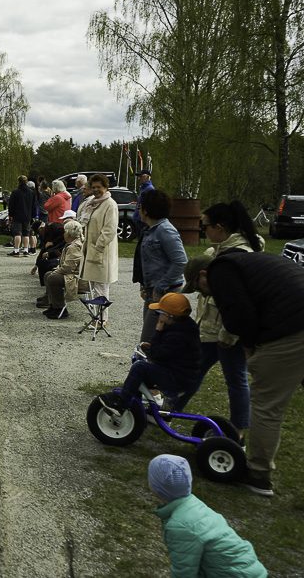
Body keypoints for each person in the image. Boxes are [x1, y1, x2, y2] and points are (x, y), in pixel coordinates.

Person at [188, 250, 304, 497]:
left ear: (203, 275)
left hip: (293, 329)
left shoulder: (221, 273)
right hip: (296, 316)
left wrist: (252, 348)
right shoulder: (244, 262)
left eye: (199, 288)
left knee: (267, 405)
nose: (203, 294)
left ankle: (258, 474)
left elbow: (240, 318)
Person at [173, 201, 265, 440]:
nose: (204, 231)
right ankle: (169, 409)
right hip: (210, 328)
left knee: (236, 379)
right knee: (193, 369)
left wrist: (230, 334)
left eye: (206, 226)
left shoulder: (240, 256)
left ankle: (238, 431)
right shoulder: (217, 250)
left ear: (220, 227)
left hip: (228, 332)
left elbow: (241, 304)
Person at [147, 455, 266, 577]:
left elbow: (184, 572)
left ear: (156, 487)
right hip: (249, 570)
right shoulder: (194, 505)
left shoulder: (180, 526)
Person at [101, 293, 200, 411]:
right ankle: (135, 408)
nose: (158, 316)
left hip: (178, 379)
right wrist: (153, 345)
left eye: (159, 313)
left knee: (139, 367)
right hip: (182, 374)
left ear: (169, 316)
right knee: (141, 373)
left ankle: (121, 405)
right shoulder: (184, 326)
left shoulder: (176, 335)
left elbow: (156, 356)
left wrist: (158, 331)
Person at [137, 190, 187, 342]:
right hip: (154, 291)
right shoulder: (150, 230)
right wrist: (144, 285)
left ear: (146, 210)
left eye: (140, 207)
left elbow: (180, 261)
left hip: (166, 292)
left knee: (149, 340)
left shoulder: (165, 230)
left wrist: (160, 287)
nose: (138, 210)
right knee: (153, 338)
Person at [79, 173, 118, 319]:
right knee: (94, 287)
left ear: (106, 187)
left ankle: (102, 319)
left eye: (99, 187)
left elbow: (109, 230)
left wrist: (98, 247)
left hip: (102, 252)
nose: (95, 190)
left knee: (101, 288)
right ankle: (97, 317)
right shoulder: (92, 203)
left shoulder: (110, 204)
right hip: (91, 250)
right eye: (93, 187)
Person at [40, 219, 85, 319]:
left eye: (65, 232)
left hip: (76, 277)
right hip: (72, 274)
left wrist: (56, 271)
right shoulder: (73, 244)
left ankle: (60, 308)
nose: (63, 234)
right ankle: (53, 305)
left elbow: (69, 267)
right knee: (48, 274)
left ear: (69, 234)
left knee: (52, 278)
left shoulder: (75, 246)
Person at [7, 175, 35, 257]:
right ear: (26, 182)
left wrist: (10, 214)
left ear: (18, 182)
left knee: (17, 233)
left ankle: (16, 250)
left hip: (17, 215)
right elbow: (34, 205)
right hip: (27, 216)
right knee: (26, 233)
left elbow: (11, 205)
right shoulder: (31, 192)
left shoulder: (15, 192)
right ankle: (26, 250)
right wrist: (32, 215)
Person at [133, 168, 155, 239]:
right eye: (139, 177)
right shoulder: (143, 188)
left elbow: (149, 206)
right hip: (140, 220)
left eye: (142, 176)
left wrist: (144, 218)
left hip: (143, 221)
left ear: (148, 177)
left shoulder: (149, 189)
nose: (139, 179)